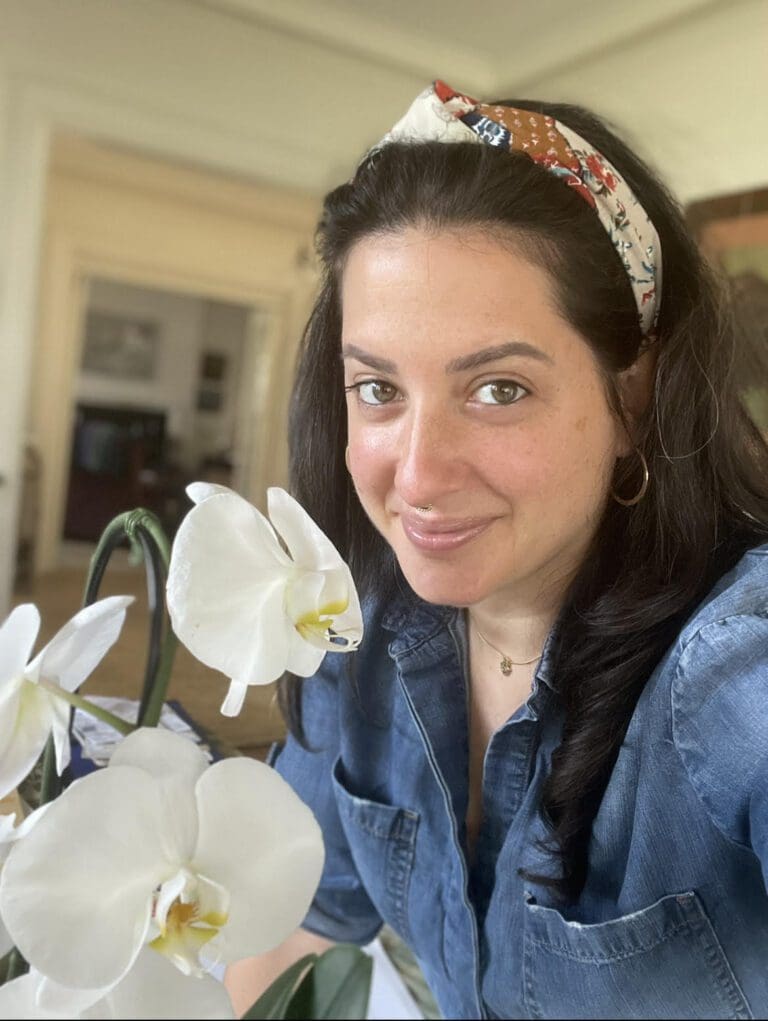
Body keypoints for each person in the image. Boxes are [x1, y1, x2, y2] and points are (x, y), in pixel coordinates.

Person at [226, 81, 768, 1019]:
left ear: (632, 397)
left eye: (499, 389)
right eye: (378, 390)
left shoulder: (732, 676)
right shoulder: (358, 633)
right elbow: (300, 926)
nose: (420, 475)